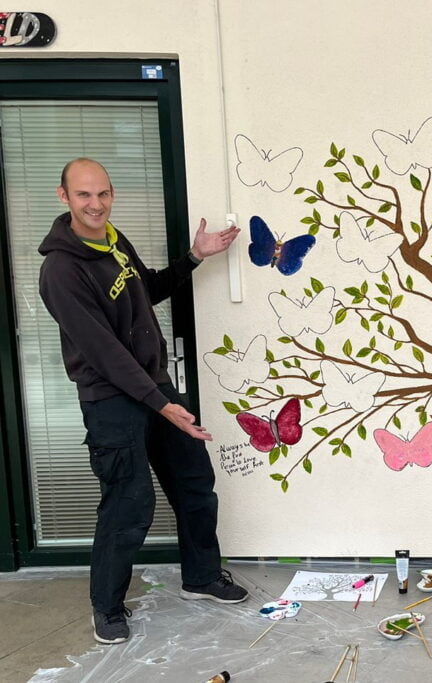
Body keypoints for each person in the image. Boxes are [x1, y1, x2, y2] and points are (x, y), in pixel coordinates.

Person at [38, 158, 247, 645]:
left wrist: (193, 259)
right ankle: (106, 606)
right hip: (112, 401)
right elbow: (104, 353)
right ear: (63, 196)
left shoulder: (113, 240)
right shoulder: (61, 270)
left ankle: (201, 578)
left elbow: (145, 289)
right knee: (129, 503)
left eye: (103, 194)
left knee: (194, 480)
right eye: (85, 195)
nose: (96, 204)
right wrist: (162, 404)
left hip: (153, 387)